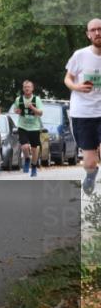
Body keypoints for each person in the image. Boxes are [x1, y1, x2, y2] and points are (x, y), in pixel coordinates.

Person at [64, 18, 101, 195]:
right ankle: (91, 174)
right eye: (93, 30)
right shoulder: (80, 55)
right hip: (83, 113)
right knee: (89, 163)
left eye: (100, 29)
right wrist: (77, 87)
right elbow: (67, 78)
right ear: (88, 34)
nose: (97, 33)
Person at [9, 80, 44, 177]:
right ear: (23, 89)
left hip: (34, 127)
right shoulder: (18, 99)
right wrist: (17, 111)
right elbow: (15, 109)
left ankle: (33, 167)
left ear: (32, 88)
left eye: (29, 87)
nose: (27, 88)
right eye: (25, 87)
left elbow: (40, 113)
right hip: (22, 126)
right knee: (24, 146)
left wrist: (32, 108)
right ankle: (27, 159)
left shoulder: (37, 99)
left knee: (34, 149)